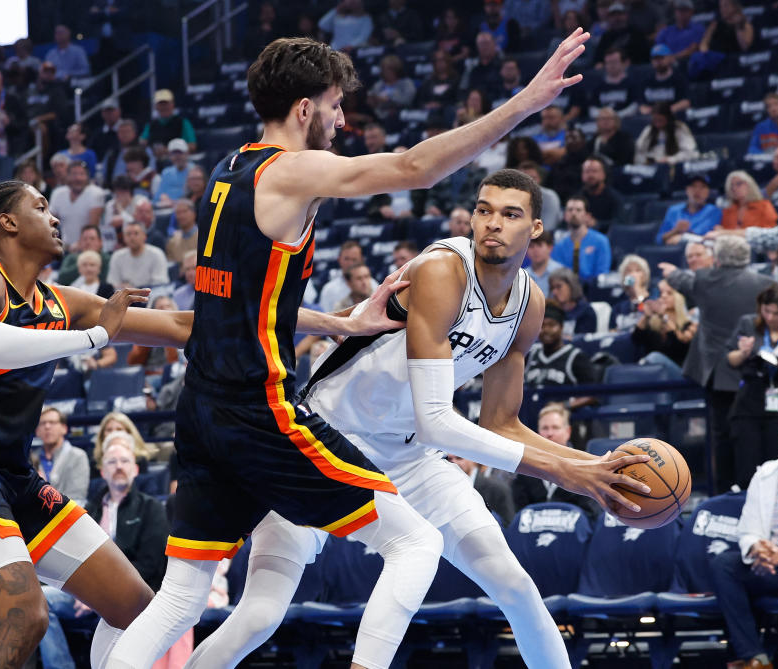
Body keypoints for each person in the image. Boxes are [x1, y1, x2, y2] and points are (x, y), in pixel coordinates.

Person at [104, 30, 625, 669]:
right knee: (413, 547)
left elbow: (238, 310)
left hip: (213, 409)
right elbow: (412, 168)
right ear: (304, 110)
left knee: (185, 597)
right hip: (273, 414)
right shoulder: (292, 171)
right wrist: (523, 102)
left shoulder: (228, 170)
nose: (342, 119)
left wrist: (340, 323)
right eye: (334, 104)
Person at [180, 169, 646, 669]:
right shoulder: (443, 270)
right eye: (484, 210)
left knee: (515, 586)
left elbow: (500, 423)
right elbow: (438, 422)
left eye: (510, 214)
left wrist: (595, 467)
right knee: (260, 613)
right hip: (324, 442)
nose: (492, 223)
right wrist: (567, 472)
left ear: (535, 229)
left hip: (411, 455)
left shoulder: (529, 304)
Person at [0, 176, 202, 669]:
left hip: (16, 475)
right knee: (25, 615)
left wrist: (328, 321)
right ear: (8, 222)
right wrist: (96, 337)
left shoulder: (60, 301)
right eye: (41, 206)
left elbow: (183, 326)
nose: (56, 216)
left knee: (140, 613)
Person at [39, 431, 172, 669]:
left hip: (132, 594)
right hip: (86, 592)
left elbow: (150, 565)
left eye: (124, 461)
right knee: (40, 600)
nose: (118, 467)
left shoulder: (151, 508)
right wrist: (87, 592)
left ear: (136, 469)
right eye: (112, 462)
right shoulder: (90, 509)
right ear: (102, 472)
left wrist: (99, 593)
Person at [662, 234, 774, 492]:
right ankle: (758, 490)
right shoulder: (766, 284)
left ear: (719, 259)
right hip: (756, 371)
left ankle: (724, 492)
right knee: (755, 434)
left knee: (722, 437)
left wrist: (670, 272)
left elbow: (681, 280)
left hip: (720, 374)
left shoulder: (706, 280)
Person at [708, 404, 778, 669]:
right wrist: (756, 550)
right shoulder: (766, 474)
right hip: (774, 565)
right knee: (724, 565)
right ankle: (755, 657)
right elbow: (747, 529)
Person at [726, 284, 778, 490]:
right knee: (746, 468)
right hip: (749, 403)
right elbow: (730, 360)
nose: (770, 317)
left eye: (776, 313)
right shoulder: (748, 324)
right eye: (766, 311)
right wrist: (743, 352)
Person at [511, 403, 598, 518]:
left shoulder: (584, 467)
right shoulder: (526, 468)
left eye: (555, 427)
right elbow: (518, 516)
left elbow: (591, 516)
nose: (550, 433)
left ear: (568, 432)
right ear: (538, 433)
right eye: (545, 428)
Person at [524, 298, 598, 387]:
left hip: (561, 400)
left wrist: (566, 402)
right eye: (542, 325)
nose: (546, 330)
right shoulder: (529, 355)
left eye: (551, 325)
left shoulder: (576, 357)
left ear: (561, 327)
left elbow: (592, 394)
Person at [631, 279, 697, 376]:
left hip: (679, 373)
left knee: (654, 357)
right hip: (655, 375)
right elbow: (636, 339)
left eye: (669, 293)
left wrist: (664, 317)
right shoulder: (654, 325)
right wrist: (646, 316)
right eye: (661, 293)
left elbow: (680, 346)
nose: (663, 296)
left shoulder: (688, 325)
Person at [35, 407, 90, 505]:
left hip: (67, 517)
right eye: (42, 423)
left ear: (64, 428)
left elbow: (77, 499)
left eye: (52, 422)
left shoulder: (78, 456)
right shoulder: (30, 458)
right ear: (37, 431)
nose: (47, 426)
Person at [551, 196, 612, 281]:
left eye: (578, 210)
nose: (574, 213)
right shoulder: (559, 246)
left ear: (587, 216)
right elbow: (558, 274)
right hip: (567, 290)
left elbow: (602, 274)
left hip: (593, 289)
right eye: (570, 210)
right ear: (565, 215)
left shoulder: (601, 241)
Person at [49, 161, 106, 250]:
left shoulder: (96, 193)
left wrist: (78, 246)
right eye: (74, 174)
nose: (78, 178)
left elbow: (92, 228)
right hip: (65, 248)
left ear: (87, 177)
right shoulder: (58, 193)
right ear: (67, 176)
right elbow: (48, 222)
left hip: (90, 247)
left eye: (81, 174)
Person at [446, 453, 515, 524]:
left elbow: (508, 525)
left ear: (473, 460)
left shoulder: (498, 489)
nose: (454, 462)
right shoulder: (444, 486)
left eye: (459, 458)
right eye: (449, 459)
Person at [657, 174, 722, 244]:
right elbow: (659, 239)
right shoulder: (673, 210)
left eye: (702, 187)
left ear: (708, 192)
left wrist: (680, 238)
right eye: (693, 186)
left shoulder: (714, 211)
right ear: (687, 190)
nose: (697, 190)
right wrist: (675, 230)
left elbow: (703, 236)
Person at [106, 220, 170, 290]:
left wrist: (136, 289)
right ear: (124, 238)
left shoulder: (157, 254)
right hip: (125, 296)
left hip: (150, 296)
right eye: (128, 234)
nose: (132, 237)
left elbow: (160, 283)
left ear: (144, 236)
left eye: (136, 233)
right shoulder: (117, 256)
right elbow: (112, 283)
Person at [318, 240, 378, 312]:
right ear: (339, 260)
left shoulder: (373, 285)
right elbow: (324, 317)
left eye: (354, 259)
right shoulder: (329, 289)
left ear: (361, 260)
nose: (350, 263)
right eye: (347, 259)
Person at [634, 102, 698, 165]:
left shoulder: (679, 128)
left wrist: (671, 159)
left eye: (660, 120)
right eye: (655, 120)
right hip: (652, 167)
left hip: (673, 166)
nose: (657, 124)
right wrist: (645, 161)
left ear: (668, 118)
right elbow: (638, 151)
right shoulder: (649, 129)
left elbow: (691, 153)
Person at [576, 155, 624, 230]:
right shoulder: (577, 198)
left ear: (604, 175)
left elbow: (620, 223)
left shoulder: (615, 198)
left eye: (594, 171)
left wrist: (597, 224)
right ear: (582, 175)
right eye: (587, 171)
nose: (590, 175)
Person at [548, 268, 597, 336]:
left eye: (558, 286)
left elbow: (585, 341)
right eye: (552, 288)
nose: (554, 292)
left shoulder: (586, 312)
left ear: (571, 286)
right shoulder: (551, 311)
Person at [609, 254, 650, 332]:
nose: (633, 274)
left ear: (644, 275)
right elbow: (612, 331)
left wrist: (637, 290)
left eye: (637, 270)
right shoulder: (618, 303)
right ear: (623, 276)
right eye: (629, 271)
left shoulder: (653, 298)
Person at [525, 229, 564, 295]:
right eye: (531, 246)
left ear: (550, 248)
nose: (535, 250)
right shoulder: (523, 276)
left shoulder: (561, 272)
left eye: (539, 245)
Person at [165, 199, 199, 266]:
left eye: (184, 211)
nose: (181, 216)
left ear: (194, 214)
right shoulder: (172, 241)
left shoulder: (204, 237)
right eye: (178, 213)